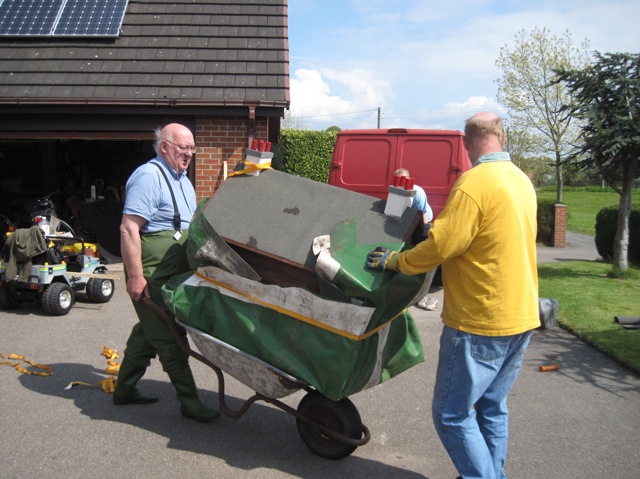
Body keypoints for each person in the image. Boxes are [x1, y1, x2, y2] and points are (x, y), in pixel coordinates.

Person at [367, 112, 540, 478]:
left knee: (452, 414)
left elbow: (442, 244)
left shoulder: (474, 183)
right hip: (521, 316)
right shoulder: (521, 181)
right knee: (491, 407)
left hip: (481, 320)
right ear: (502, 137)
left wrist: (396, 260)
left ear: (466, 142)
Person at [114, 123, 219, 423]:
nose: (189, 154)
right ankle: (189, 402)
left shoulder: (183, 179)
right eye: (183, 147)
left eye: (192, 148)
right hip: (152, 271)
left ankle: (124, 390)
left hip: (174, 267)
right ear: (164, 147)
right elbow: (129, 228)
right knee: (171, 337)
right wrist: (136, 277)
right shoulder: (149, 177)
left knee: (150, 332)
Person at [394, 168, 438, 311]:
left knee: (419, 252)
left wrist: (424, 235)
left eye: (403, 179)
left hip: (423, 221)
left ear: (408, 178)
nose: (401, 182)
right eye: (398, 179)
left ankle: (419, 289)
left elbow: (423, 214)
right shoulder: (396, 191)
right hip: (409, 220)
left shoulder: (417, 192)